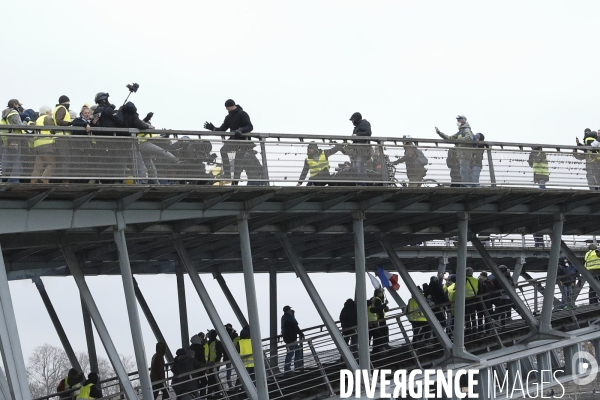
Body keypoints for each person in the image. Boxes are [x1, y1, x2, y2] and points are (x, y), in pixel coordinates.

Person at [204, 99, 264, 185]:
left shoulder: (242, 113)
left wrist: (241, 130)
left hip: (243, 141)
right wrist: (213, 128)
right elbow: (222, 129)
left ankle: (235, 182)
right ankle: (228, 174)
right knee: (223, 150)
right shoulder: (228, 117)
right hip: (234, 140)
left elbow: (250, 126)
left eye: (227, 107)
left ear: (231, 106)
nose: (227, 109)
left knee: (237, 162)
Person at [435, 115, 474, 186]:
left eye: (459, 120)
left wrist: (458, 140)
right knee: (466, 169)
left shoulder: (466, 129)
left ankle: (466, 185)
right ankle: (472, 185)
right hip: (462, 154)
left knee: (464, 170)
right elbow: (450, 138)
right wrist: (440, 133)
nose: (457, 122)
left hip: (465, 154)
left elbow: (469, 138)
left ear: (463, 120)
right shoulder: (460, 131)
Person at [1, 99, 28, 182]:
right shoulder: (14, 112)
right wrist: (26, 121)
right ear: (14, 104)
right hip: (15, 140)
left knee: (7, 161)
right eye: (18, 105)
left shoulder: (5, 114)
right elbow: (19, 125)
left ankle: (3, 180)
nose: (19, 107)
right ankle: (14, 181)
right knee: (16, 161)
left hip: (7, 140)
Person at [31, 106, 56, 183]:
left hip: (37, 144)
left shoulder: (38, 119)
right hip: (46, 143)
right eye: (50, 111)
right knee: (52, 164)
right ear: (47, 112)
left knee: (38, 165)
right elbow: (53, 129)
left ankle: (33, 182)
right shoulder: (47, 118)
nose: (51, 113)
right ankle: (44, 179)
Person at [52, 96, 73, 181]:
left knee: (61, 159)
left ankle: (61, 179)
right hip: (62, 137)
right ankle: (65, 180)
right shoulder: (62, 108)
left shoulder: (57, 108)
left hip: (59, 136)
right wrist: (70, 123)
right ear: (66, 102)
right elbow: (59, 121)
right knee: (65, 159)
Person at [347, 112, 372, 183]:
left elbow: (368, 133)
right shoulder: (358, 126)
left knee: (358, 166)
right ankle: (363, 182)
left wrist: (357, 135)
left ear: (356, 119)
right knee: (355, 166)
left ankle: (368, 183)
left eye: (353, 120)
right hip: (358, 150)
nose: (352, 122)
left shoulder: (364, 123)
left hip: (362, 150)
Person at [281, 305, 304, 374]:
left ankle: (295, 366)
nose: (291, 311)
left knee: (297, 350)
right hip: (290, 339)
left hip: (289, 338)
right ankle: (288, 369)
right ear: (288, 311)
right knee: (290, 353)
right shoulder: (289, 318)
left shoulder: (284, 318)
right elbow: (295, 327)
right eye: (290, 310)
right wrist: (301, 334)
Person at [369, 288, 390, 353]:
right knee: (383, 331)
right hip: (380, 318)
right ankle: (384, 345)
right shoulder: (377, 300)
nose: (382, 294)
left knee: (378, 334)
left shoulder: (374, 299)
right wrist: (384, 305)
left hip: (377, 318)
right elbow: (379, 309)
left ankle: (378, 347)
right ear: (378, 293)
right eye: (381, 293)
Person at [204, 329, 224, 394]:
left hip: (214, 363)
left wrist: (217, 362)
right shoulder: (208, 343)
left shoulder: (217, 343)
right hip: (209, 364)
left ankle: (214, 393)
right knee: (212, 379)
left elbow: (219, 353)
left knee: (213, 379)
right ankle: (216, 392)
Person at [223, 323, 239, 388]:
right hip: (235, 355)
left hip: (227, 356)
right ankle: (239, 384)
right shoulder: (235, 335)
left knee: (229, 371)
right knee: (238, 370)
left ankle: (230, 385)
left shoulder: (225, 335)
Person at [465, 267, 480, 336]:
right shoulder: (476, 280)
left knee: (467, 317)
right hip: (474, 300)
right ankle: (474, 331)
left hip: (465, 300)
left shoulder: (463, 279)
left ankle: (468, 331)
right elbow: (480, 290)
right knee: (473, 316)